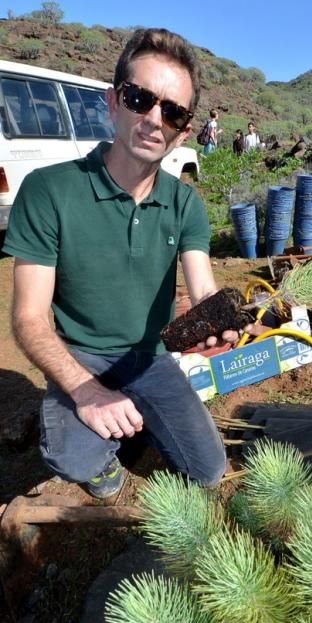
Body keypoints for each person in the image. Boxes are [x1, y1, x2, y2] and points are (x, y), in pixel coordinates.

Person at [2, 28, 242, 499]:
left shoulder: (185, 204)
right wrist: (86, 392)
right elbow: (28, 318)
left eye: (172, 111)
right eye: (140, 98)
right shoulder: (49, 191)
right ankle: (102, 446)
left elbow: (204, 291)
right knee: (75, 458)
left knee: (209, 470)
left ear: (184, 131)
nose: (155, 119)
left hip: (149, 357)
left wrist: (225, 320)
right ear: (113, 102)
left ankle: (137, 412)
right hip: (79, 353)